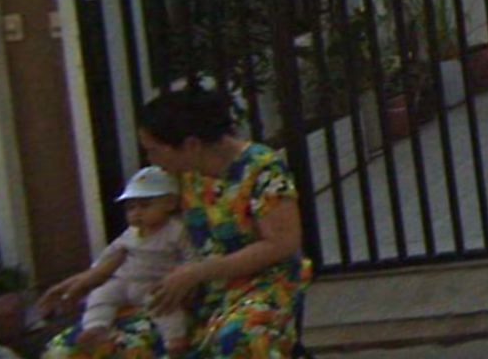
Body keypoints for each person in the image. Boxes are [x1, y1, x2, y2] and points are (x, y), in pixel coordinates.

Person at [43, 88, 312, 358]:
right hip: (184, 293)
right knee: (70, 350)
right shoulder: (179, 175)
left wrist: (198, 272)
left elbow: (282, 243)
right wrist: (93, 277)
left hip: (259, 286)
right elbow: (143, 234)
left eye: (154, 151)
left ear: (191, 145)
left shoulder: (261, 168)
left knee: (241, 341)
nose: (151, 160)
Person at [39, 166, 194, 358]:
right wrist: (83, 280)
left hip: (155, 283)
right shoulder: (131, 234)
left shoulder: (175, 231)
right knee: (101, 295)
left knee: (164, 306)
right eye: (131, 208)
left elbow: (190, 256)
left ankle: (174, 339)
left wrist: (185, 279)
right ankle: (96, 328)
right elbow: (107, 258)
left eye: (145, 206)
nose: (137, 213)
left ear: (170, 203)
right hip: (125, 281)